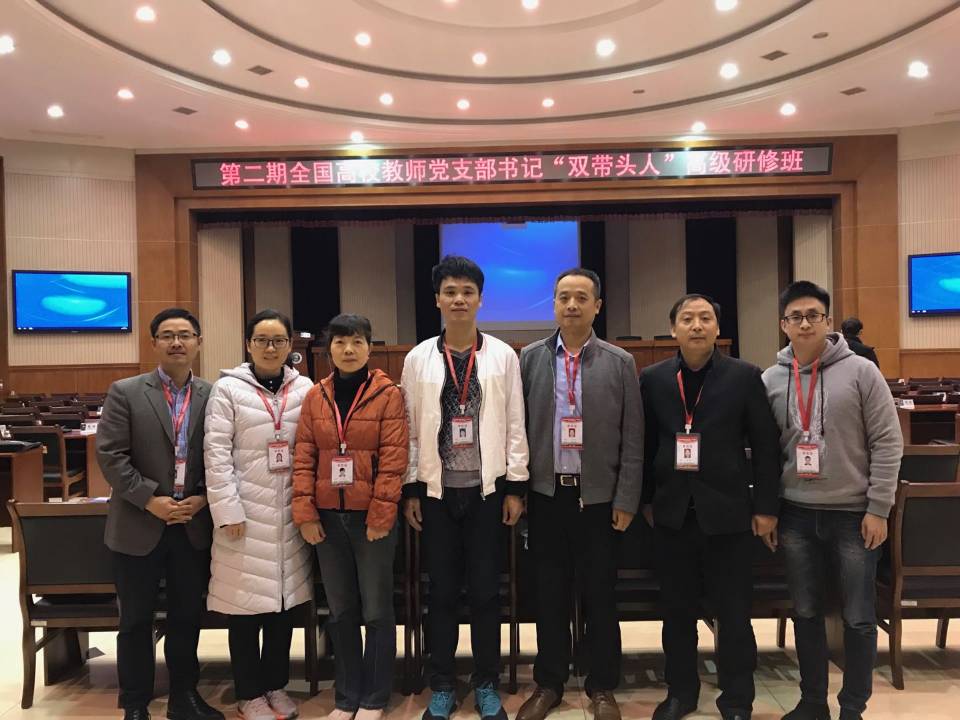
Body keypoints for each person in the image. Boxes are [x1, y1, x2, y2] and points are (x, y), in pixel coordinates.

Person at [763, 282, 902, 720]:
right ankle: (811, 702)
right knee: (805, 612)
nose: (805, 324)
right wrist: (768, 510)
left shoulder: (861, 372)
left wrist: (879, 508)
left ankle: (852, 707)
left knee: (858, 616)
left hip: (853, 516)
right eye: (795, 317)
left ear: (827, 320)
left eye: (813, 315)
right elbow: (766, 453)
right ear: (784, 324)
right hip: (795, 513)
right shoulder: (771, 379)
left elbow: (887, 441)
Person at [639, 294, 782, 720]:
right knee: (676, 614)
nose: (697, 325)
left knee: (734, 614)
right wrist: (646, 499)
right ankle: (680, 693)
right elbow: (644, 445)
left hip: (729, 514)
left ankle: (737, 699)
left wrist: (766, 507)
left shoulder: (744, 376)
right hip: (672, 514)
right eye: (687, 319)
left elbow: (766, 447)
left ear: (718, 328)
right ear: (673, 329)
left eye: (705, 318)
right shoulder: (654, 379)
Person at [401, 256, 529, 720]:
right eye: (450, 292)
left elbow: (515, 422)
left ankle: (486, 681)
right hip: (436, 495)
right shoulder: (418, 358)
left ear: (480, 299)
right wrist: (411, 488)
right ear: (437, 299)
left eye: (467, 292)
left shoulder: (502, 355)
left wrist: (515, 485)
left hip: (486, 493)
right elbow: (409, 428)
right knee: (441, 592)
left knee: (485, 593)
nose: (459, 299)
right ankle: (441, 683)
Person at [516, 268, 643, 720]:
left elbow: (633, 436)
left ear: (597, 306)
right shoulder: (529, 358)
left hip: (600, 500)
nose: (572, 305)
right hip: (546, 496)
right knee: (549, 593)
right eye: (564, 297)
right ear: (553, 304)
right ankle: (549, 683)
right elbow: (517, 430)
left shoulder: (619, 361)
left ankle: (601, 685)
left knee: (600, 595)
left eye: (581, 298)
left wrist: (626, 498)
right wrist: (520, 492)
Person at [96, 308, 224, 720]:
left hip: (191, 524)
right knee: (135, 620)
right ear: (154, 343)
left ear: (199, 342)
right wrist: (150, 499)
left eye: (185, 334)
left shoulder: (214, 395)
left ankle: (184, 697)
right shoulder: (126, 392)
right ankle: (135, 703)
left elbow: (223, 456)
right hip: (139, 523)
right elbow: (111, 456)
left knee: (187, 617)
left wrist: (203, 498)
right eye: (167, 335)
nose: (177, 342)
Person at [293, 314, 409, 720]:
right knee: (341, 611)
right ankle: (346, 696)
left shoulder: (388, 394)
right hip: (327, 518)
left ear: (369, 348)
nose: (348, 349)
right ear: (329, 350)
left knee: (376, 610)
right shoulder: (316, 396)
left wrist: (381, 514)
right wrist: (305, 512)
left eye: (357, 341)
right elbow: (304, 456)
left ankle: (374, 697)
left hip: (371, 520)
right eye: (340, 342)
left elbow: (394, 458)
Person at [204, 309, 314, 720]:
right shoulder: (228, 389)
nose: (271, 348)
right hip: (244, 514)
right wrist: (227, 510)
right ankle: (249, 693)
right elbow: (216, 454)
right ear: (249, 344)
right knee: (245, 608)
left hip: (289, 512)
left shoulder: (304, 388)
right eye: (262, 340)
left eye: (279, 340)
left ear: (290, 346)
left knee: (283, 606)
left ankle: (276, 685)